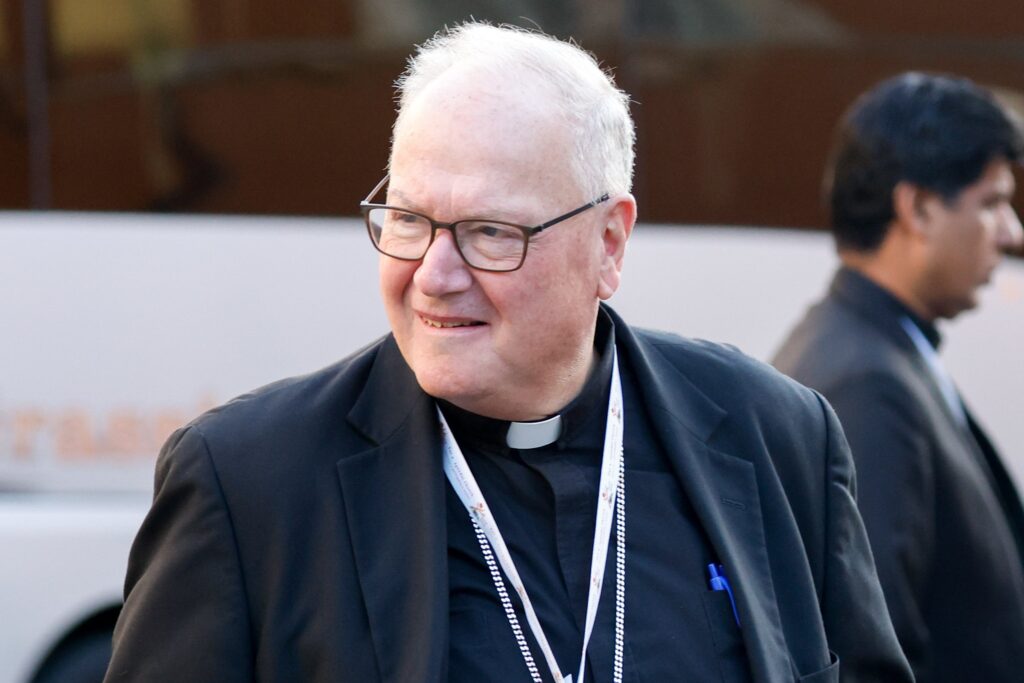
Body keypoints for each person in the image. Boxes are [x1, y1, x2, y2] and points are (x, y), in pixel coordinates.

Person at [105, 23, 911, 683]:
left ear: (609, 242)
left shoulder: (774, 433)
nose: (434, 276)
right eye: (411, 220)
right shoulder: (250, 482)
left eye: (491, 232)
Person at [773, 72, 1024, 683]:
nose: (1012, 232)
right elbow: (870, 645)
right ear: (915, 207)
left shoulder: (879, 347)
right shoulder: (867, 383)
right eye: (991, 203)